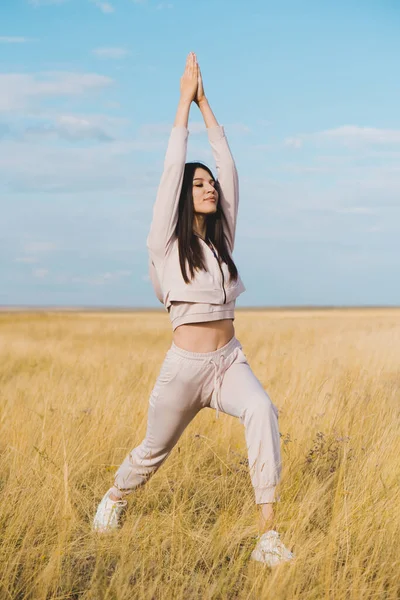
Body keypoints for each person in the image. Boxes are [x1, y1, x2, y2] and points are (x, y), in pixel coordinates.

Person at [93, 52, 294, 567]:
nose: (210, 186)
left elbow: (229, 165)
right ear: (185, 194)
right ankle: (115, 498)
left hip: (229, 361)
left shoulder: (222, 238)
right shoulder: (164, 243)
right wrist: (182, 103)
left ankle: (266, 537)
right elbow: (170, 171)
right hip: (185, 370)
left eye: (211, 184)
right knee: (152, 453)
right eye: (199, 184)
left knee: (261, 410)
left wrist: (208, 105)